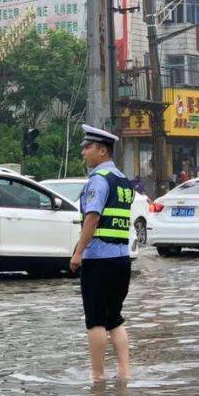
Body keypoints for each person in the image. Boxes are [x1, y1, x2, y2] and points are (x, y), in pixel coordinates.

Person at [69, 125, 133, 382]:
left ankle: (97, 377)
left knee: (95, 320)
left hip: (99, 260)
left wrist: (78, 252)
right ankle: (124, 374)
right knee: (114, 318)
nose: (83, 151)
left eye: (88, 147)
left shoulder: (99, 179)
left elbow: (92, 219)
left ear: (102, 150)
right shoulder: (123, 181)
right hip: (121, 260)